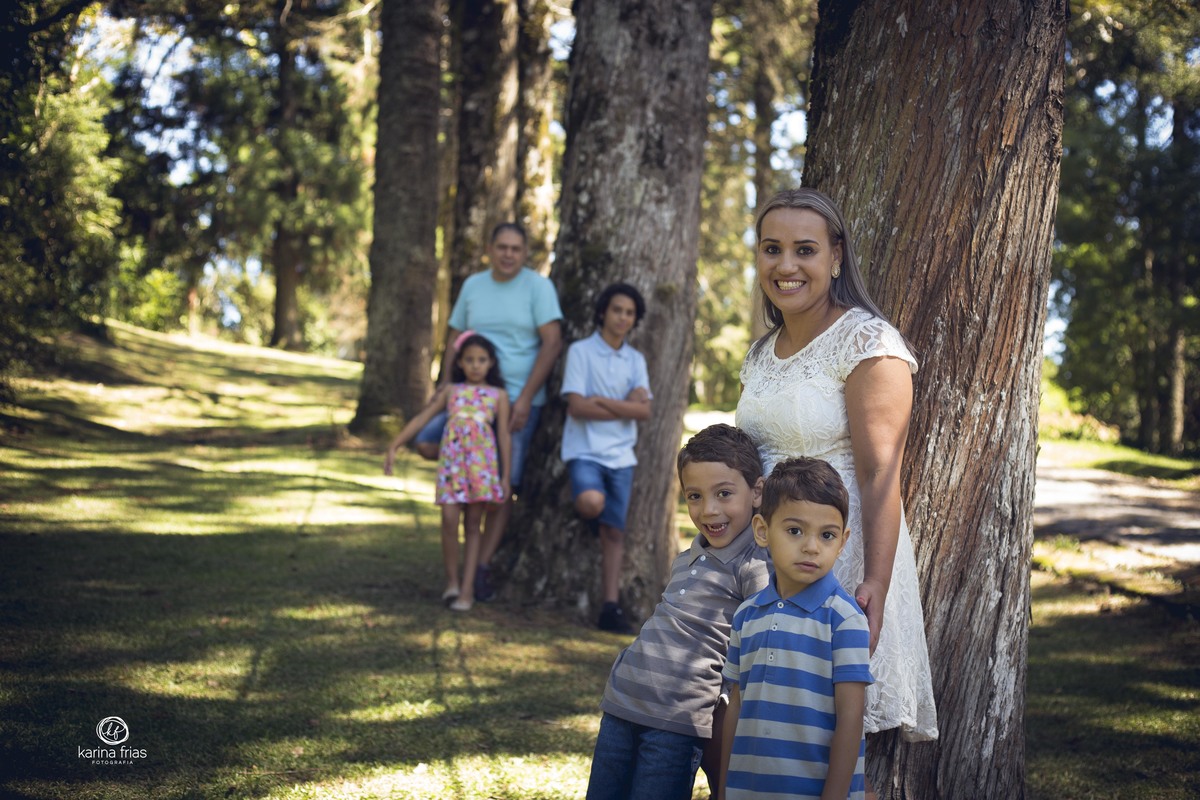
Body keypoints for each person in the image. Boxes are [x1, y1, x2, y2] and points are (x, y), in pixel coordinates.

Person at [734, 187, 938, 753]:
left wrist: (871, 581)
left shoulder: (868, 341)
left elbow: (880, 475)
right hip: (768, 562)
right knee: (768, 734)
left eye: (805, 249)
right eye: (771, 249)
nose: (786, 266)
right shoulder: (760, 352)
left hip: (840, 561)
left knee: (834, 740)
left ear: (836, 257)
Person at [586, 424, 771, 800]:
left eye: (723, 493)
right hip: (621, 703)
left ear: (757, 492)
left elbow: (757, 651)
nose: (709, 510)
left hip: (678, 720)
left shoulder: (755, 567)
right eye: (695, 496)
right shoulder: (689, 555)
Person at [415, 222, 563, 601]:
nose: (508, 254)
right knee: (425, 443)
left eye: (516, 248)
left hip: (513, 400)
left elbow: (551, 344)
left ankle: (479, 568)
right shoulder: (473, 286)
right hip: (468, 400)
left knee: (503, 487)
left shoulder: (538, 288)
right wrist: (446, 387)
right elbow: (453, 342)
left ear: (525, 251)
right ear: (490, 249)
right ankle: (465, 486)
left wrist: (526, 397)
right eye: (501, 247)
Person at [720, 457, 872, 800]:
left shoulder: (843, 619)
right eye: (795, 530)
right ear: (762, 530)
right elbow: (737, 705)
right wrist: (723, 788)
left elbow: (851, 719)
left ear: (843, 541)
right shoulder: (747, 615)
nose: (811, 546)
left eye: (827, 535)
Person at [384, 332, 511, 612]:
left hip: (480, 467)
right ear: (460, 363)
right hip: (453, 466)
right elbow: (421, 418)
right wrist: (395, 444)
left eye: (481, 360)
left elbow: (503, 436)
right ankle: (452, 582)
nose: (476, 365)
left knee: (473, 526)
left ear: (491, 363)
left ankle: (467, 591)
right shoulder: (450, 392)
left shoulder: (498, 395)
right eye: (469, 360)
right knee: (449, 520)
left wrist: (505, 475)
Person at [561, 283, 653, 634]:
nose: (623, 318)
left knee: (615, 534)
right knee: (591, 502)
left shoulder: (635, 360)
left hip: (621, 457)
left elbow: (644, 412)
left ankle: (610, 606)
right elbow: (577, 406)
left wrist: (600, 401)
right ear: (603, 311)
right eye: (617, 310)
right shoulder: (581, 352)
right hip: (584, 451)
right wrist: (624, 404)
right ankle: (588, 513)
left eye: (629, 313)